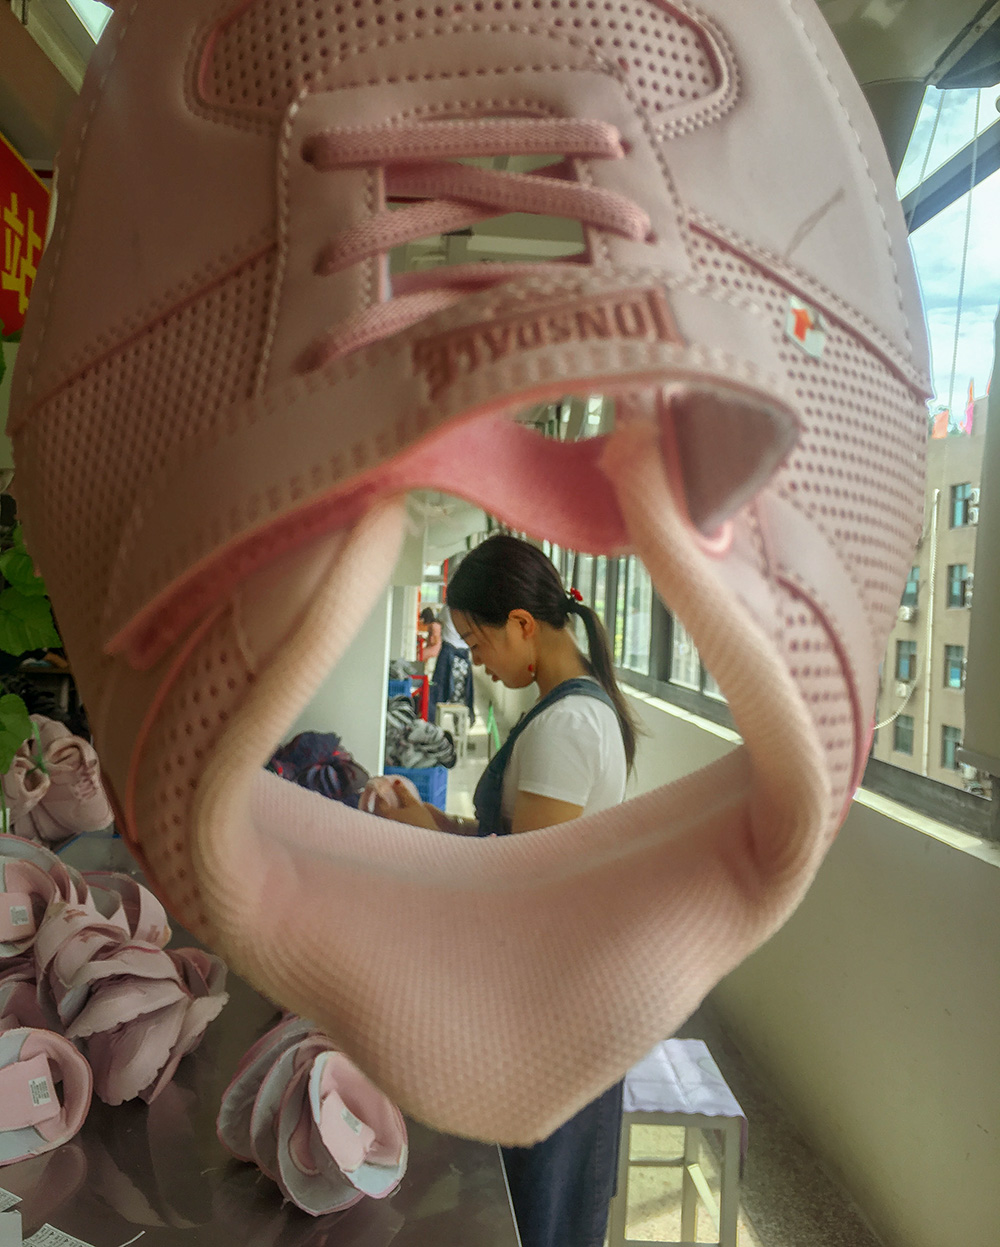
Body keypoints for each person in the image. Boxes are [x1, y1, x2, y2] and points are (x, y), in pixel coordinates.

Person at [371, 533, 638, 1247]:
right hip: (554, 991)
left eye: (478, 641)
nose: (477, 660)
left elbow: (524, 888)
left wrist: (428, 846)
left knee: (539, 1213)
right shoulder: (567, 711)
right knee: (530, 1201)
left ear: (522, 623)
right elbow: (514, 843)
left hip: (560, 1007)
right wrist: (435, 821)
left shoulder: (569, 725)